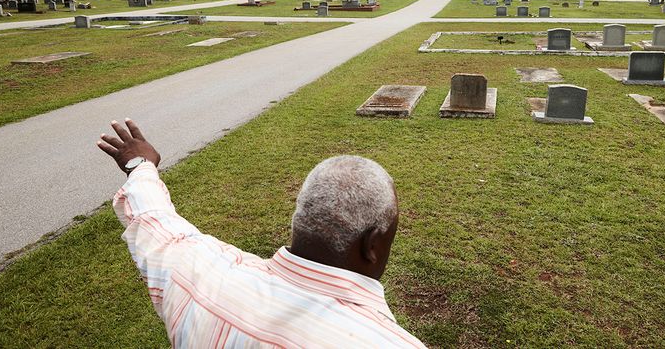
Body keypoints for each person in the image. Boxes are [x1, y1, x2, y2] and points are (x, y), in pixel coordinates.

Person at [98, 118, 425, 348]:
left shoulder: (199, 274)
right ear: (372, 245)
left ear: (300, 219)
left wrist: (140, 166)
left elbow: (155, 220)